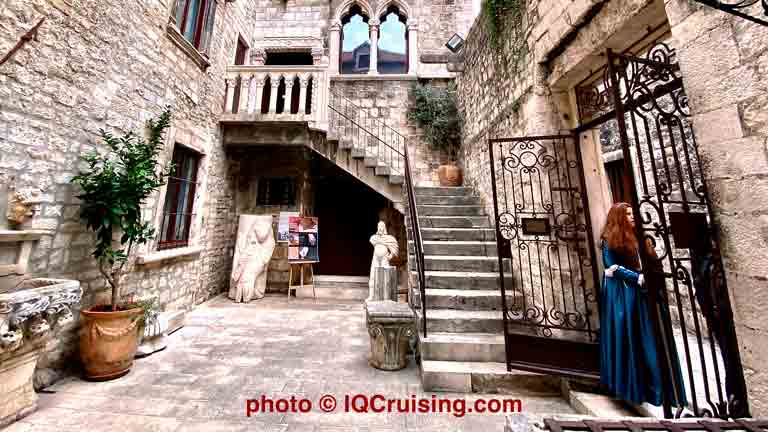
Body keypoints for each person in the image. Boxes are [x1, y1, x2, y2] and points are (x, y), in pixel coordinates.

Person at [599, 202, 686, 407]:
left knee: (652, 340)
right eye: (628, 214)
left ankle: (662, 391)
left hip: (645, 293)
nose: (632, 217)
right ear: (618, 217)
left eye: (633, 213)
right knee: (632, 337)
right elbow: (611, 265)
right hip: (625, 294)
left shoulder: (640, 237)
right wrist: (636, 277)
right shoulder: (608, 240)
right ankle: (635, 388)